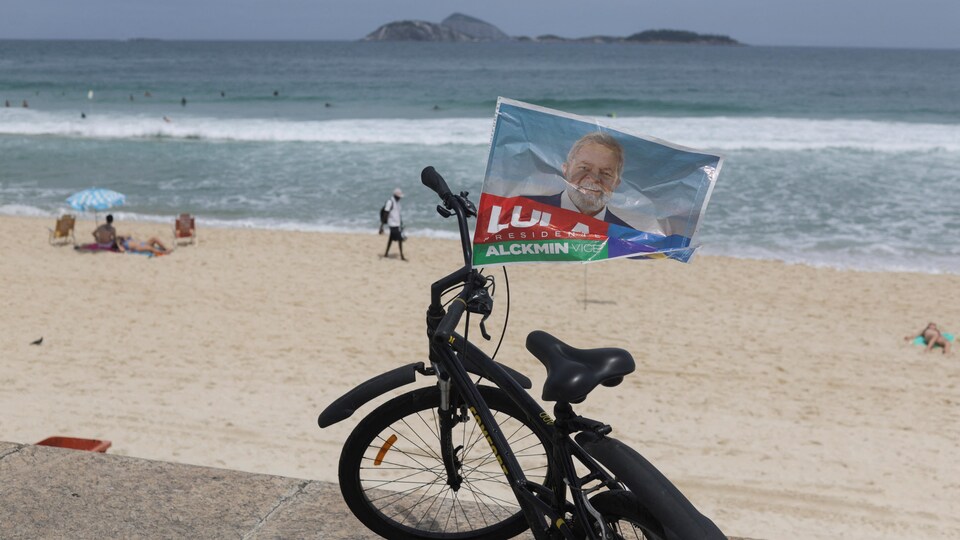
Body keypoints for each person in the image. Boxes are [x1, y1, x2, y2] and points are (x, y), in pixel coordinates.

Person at [526, 132, 631, 227]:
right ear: (565, 170)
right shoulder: (523, 210)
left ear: (616, 183)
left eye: (606, 173)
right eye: (584, 168)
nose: (593, 179)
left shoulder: (627, 238)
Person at [380, 188, 406, 261]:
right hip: (392, 224)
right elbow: (386, 213)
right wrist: (381, 226)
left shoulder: (397, 203)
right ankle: (402, 256)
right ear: (395, 196)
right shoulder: (390, 202)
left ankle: (386, 254)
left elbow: (398, 214)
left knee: (391, 239)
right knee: (400, 239)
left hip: (397, 224)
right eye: (399, 196)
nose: (400, 198)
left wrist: (401, 223)